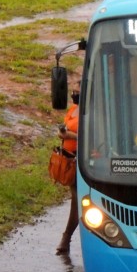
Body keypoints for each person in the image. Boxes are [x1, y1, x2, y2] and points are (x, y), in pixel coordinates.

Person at [55, 81, 80, 255]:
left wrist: (70, 135)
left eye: (77, 90)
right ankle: (66, 239)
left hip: (82, 160)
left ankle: (66, 238)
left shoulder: (92, 110)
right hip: (69, 159)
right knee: (76, 200)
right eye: (73, 91)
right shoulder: (73, 109)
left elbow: (92, 134)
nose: (74, 93)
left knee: (77, 201)